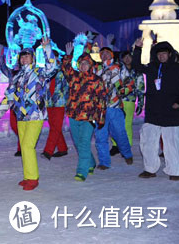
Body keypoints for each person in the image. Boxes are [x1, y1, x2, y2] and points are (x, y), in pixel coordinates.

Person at [6, 38, 57, 191]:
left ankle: (33, 178)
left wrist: (47, 48)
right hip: (21, 115)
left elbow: (52, 67)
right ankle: (28, 176)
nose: (24, 58)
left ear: (33, 58)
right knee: (24, 146)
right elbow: (10, 94)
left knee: (28, 145)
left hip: (36, 114)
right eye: (22, 56)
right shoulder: (18, 76)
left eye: (27, 55)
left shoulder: (40, 72)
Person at [132, 39, 179, 180]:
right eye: (159, 54)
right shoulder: (152, 67)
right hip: (153, 111)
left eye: (164, 53)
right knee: (148, 141)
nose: (161, 56)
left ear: (170, 54)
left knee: (172, 143)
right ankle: (150, 168)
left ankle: (175, 171)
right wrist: (138, 49)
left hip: (171, 112)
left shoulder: (177, 68)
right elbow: (136, 66)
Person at [62, 43, 107, 181]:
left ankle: (82, 171)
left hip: (89, 117)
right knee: (78, 142)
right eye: (81, 63)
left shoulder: (97, 80)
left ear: (91, 65)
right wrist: (68, 55)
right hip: (73, 115)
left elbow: (102, 100)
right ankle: (91, 162)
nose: (83, 66)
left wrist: (101, 118)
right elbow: (65, 68)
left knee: (84, 143)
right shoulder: (74, 77)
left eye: (86, 64)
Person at [93, 46, 134, 169]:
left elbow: (130, 83)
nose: (104, 55)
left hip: (115, 108)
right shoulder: (96, 69)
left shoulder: (119, 67)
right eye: (102, 54)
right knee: (100, 136)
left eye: (107, 53)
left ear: (112, 55)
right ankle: (104, 162)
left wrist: (123, 91)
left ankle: (127, 153)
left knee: (119, 134)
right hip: (100, 109)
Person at [109, 50, 145, 156]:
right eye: (125, 57)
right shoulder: (118, 69)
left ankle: (126, 146)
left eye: (129, 56)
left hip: (130, 100)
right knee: (115, 124)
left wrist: (140, 103)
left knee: (127, 124)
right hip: (116, 100)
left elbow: (140, 88)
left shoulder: (137, 71)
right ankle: (115, 145)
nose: (127, 59)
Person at [0, 45, 21, 156]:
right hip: (12, 104)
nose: (17, 64)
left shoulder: (25, 73)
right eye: (16, 62)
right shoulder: (11, 73)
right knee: (14, 126)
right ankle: (23, 143)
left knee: (21, 127)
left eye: (19, 62)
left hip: (23, 104)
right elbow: (3, 66)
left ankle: (21, 148)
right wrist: (0, 55)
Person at [42, 51, 69, 160]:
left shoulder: (62, 70)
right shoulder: (45, 71)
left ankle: (48, 151)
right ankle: (62, 148)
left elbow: (67, 88)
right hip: (49, 103)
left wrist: (68, 103)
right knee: (54, 127)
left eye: (53, 57)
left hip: (60, 103)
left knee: (56, 127)